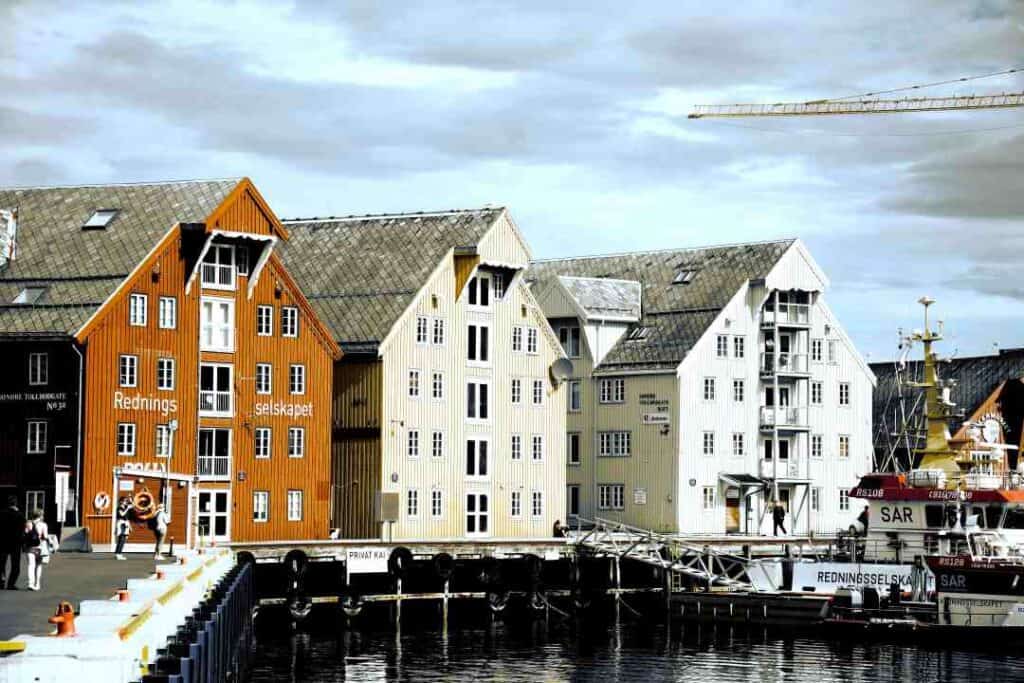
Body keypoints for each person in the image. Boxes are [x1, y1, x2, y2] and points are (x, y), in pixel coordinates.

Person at [0, 496, 25, 589]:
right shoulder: (20, 515)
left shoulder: (1, 514)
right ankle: (11, 584)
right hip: (16, 543)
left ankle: (1, 582)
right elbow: (23, 531)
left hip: (2, 542)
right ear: (16, 504)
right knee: (15, 565)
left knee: (1, 564)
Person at [23, 509, 48, 591]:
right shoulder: (43, 525)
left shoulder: (28, 523)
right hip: (40, 548)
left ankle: (30, 584)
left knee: (31, 565)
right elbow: (46, 536)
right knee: (38, 566)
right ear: (40, 516)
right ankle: (37, 584)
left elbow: (25, 534)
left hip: (30, 548)